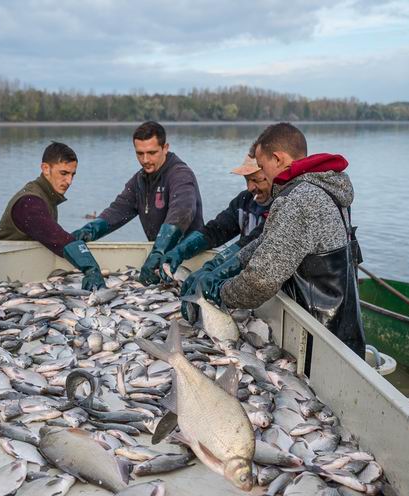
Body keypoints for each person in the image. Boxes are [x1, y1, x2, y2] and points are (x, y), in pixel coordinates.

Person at [200, 122, 365, 355]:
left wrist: (221, 293)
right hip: (342, 334)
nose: (262, 174)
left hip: (321, 342)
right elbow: (272, 240)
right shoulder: (325, 187)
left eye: (261, 165)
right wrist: (233, 264)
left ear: (277, 159)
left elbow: (261, 280)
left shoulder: (301, 199)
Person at [71, 121, 204, 285]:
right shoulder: (139, 181)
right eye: (140, 154)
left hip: (187, 258)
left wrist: (159, 250)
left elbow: (183, 212)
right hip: (158, 261)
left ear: (165, 148)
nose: (145, 160)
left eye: (152, 153)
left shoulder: (180, 175)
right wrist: (85, 232)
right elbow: (117, 211)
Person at [168, 155, 273, 320]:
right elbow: (216, 230)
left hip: (271, 286)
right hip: (244, 283)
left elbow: (253, 241)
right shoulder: (245, 200)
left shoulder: (283, 205)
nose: (250, 187)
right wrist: (181, 250)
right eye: (247, 180)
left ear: (273, 173)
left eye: (256, 180)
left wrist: (213, 269)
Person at [0, 142, 105, 290]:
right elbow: (57, 238)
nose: (69, 181)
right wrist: (91, 268)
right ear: (46, 169)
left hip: (27, 274)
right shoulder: (29, 202)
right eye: (64, 173)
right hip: (7, 278)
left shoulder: (46, 196)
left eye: (72, 174)